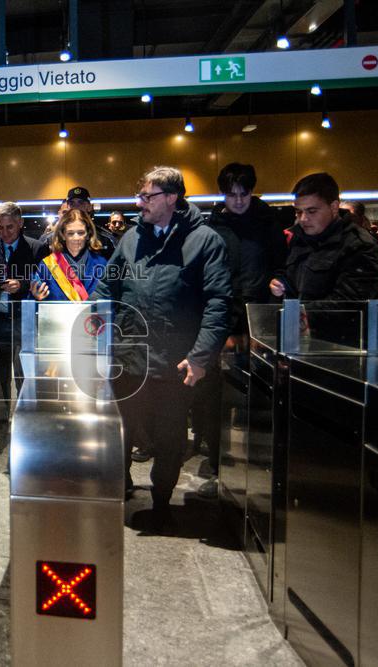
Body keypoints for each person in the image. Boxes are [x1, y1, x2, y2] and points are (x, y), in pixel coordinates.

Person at [95, 166, 231, 533]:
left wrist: (202, 355)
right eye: (140, 196)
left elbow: (219, 302)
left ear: (172, 198)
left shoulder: (204, 240)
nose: (140, 203)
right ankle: (118, 488)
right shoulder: (131, 239)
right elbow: (106, 289)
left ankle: (161, 502)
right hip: (128, 356)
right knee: (118, 431)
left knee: (170, 440)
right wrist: (98, 331)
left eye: (148, 197)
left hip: (175, 360)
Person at [196, 163, 288, 498]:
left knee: (258, 392)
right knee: (214, 393)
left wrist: (280, 282)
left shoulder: (269, 224)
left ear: (251, 191)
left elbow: (282, 264)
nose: (237, 200)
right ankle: (220, 460)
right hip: (222, 315)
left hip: (259, 318)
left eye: (243, 194)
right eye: (231, 194)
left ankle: (259, 462)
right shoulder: (215, 226)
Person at [0, 201, 48, 456]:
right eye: (1, 227)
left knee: (26, 378)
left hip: (25, 323)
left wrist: (24, 285)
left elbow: (47, 282)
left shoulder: (37, 248)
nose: (5, 233)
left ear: (20, 224)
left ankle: (29, 429)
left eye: (10, 227)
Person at [270, 173, 378, 301]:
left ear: (334, 207)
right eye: (298, 212)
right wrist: (281, 283)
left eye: (312, 211)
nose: (303, 219)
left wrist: (300, 316)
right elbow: (292, 278)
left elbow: (347, 305)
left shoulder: (359, 245)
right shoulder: (298, 238)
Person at [30, 208, 108, 300]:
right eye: (70, 233)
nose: (76, 238)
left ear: (88, 234)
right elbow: (32, 301)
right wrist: (36, 298)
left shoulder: (102, 264)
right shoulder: (47, 264)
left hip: (92, 314)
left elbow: (109, 300)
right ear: (63, 235)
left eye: (81, 233)